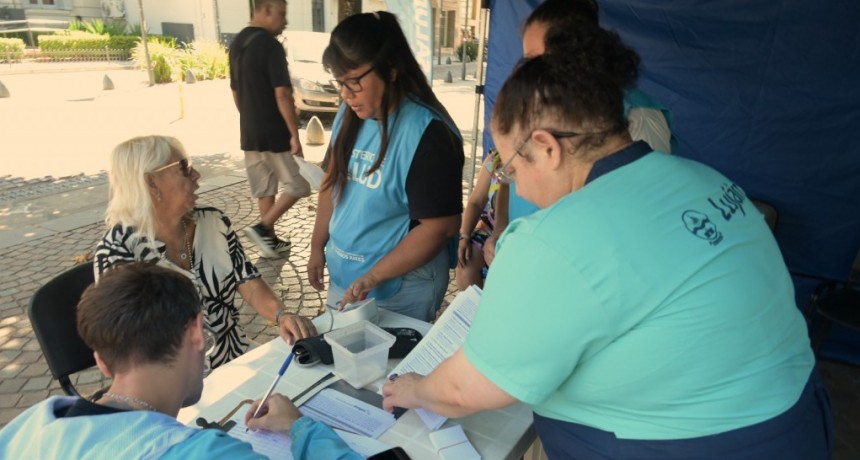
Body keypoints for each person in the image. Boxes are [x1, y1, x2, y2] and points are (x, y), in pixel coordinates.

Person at [382, 34, 830, 459]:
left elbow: (466, 389)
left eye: (513, 172)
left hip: (689, 445)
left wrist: (414, 389)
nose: (518, 189)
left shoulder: (556, 236)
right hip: (798, 422)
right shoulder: (706, 179)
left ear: (546, 147)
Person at [0, 262, 358, 459]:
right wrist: (301, 428)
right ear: (197, 334)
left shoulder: (27, 427)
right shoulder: (208, 454)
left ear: (103, 363)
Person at [93, 135, 315, 369]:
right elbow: (129, 343)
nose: (197, 175)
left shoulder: (213, 221)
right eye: (184, 168)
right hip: (172, 377)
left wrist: (282, 315)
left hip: (234, 354)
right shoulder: (118, 252)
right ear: (151, 182)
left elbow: (247, 280)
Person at [484, 0, 675, 266]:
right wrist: (501, 230)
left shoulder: (640, 115)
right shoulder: (526, 111)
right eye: (526, 61)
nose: (528, 74)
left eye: (539, 61)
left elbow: (637, 217)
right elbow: (507, 173)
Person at [308, 11, 464, 322]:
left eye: (353, 81)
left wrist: (373, 277)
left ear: (391, 69)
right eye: (340, 82)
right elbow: (331, 180)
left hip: (400, 288)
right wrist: (316, 245)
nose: (345, 94)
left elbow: (439, 228)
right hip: (348, 276)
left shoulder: (428, 133)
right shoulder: (349, 114)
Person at [230, 0, 311, 258]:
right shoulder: (270, 45)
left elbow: (235, 90)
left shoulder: (237, 43)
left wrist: (249, 117)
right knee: (299, 185)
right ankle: (263, 228)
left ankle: (269, 243)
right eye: (282, 14)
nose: (285, 21)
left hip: (249, 132)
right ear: (265, 10)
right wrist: (294, 134)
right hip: (275, 132)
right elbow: (283, 93)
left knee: (264, 188)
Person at [455, 148, 503, 291]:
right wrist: (464, 236)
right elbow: (476, 202)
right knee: (465, 259)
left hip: (522, 233)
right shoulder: (494, 160)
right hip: (491, 227)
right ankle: (472, 311)